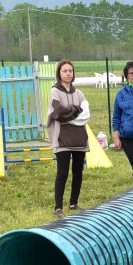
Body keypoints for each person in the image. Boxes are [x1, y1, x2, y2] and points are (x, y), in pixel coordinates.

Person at [46, 59, 90, 218]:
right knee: (62, 173)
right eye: (64, 71)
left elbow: (86, 113)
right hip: (62, 139)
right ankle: (58, 207)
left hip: (79, 139)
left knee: (78, 171)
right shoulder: (55, 92)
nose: (68, 73)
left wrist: (71, 112)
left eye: (70, 71)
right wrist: (76, 110)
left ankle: (73, 203)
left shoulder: (79, 93)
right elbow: (58, 112)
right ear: (59, 73)